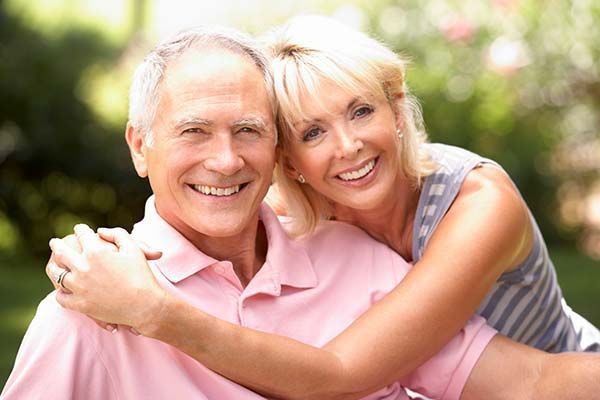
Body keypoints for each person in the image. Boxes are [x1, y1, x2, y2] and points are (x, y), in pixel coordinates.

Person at [14, 20, 600, 400]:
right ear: (140, 145)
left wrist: (155, 311)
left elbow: (531, 380)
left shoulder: (372, 255)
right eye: (194, 131)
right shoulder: (90, 305)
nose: (225, 160)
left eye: (247, 130)